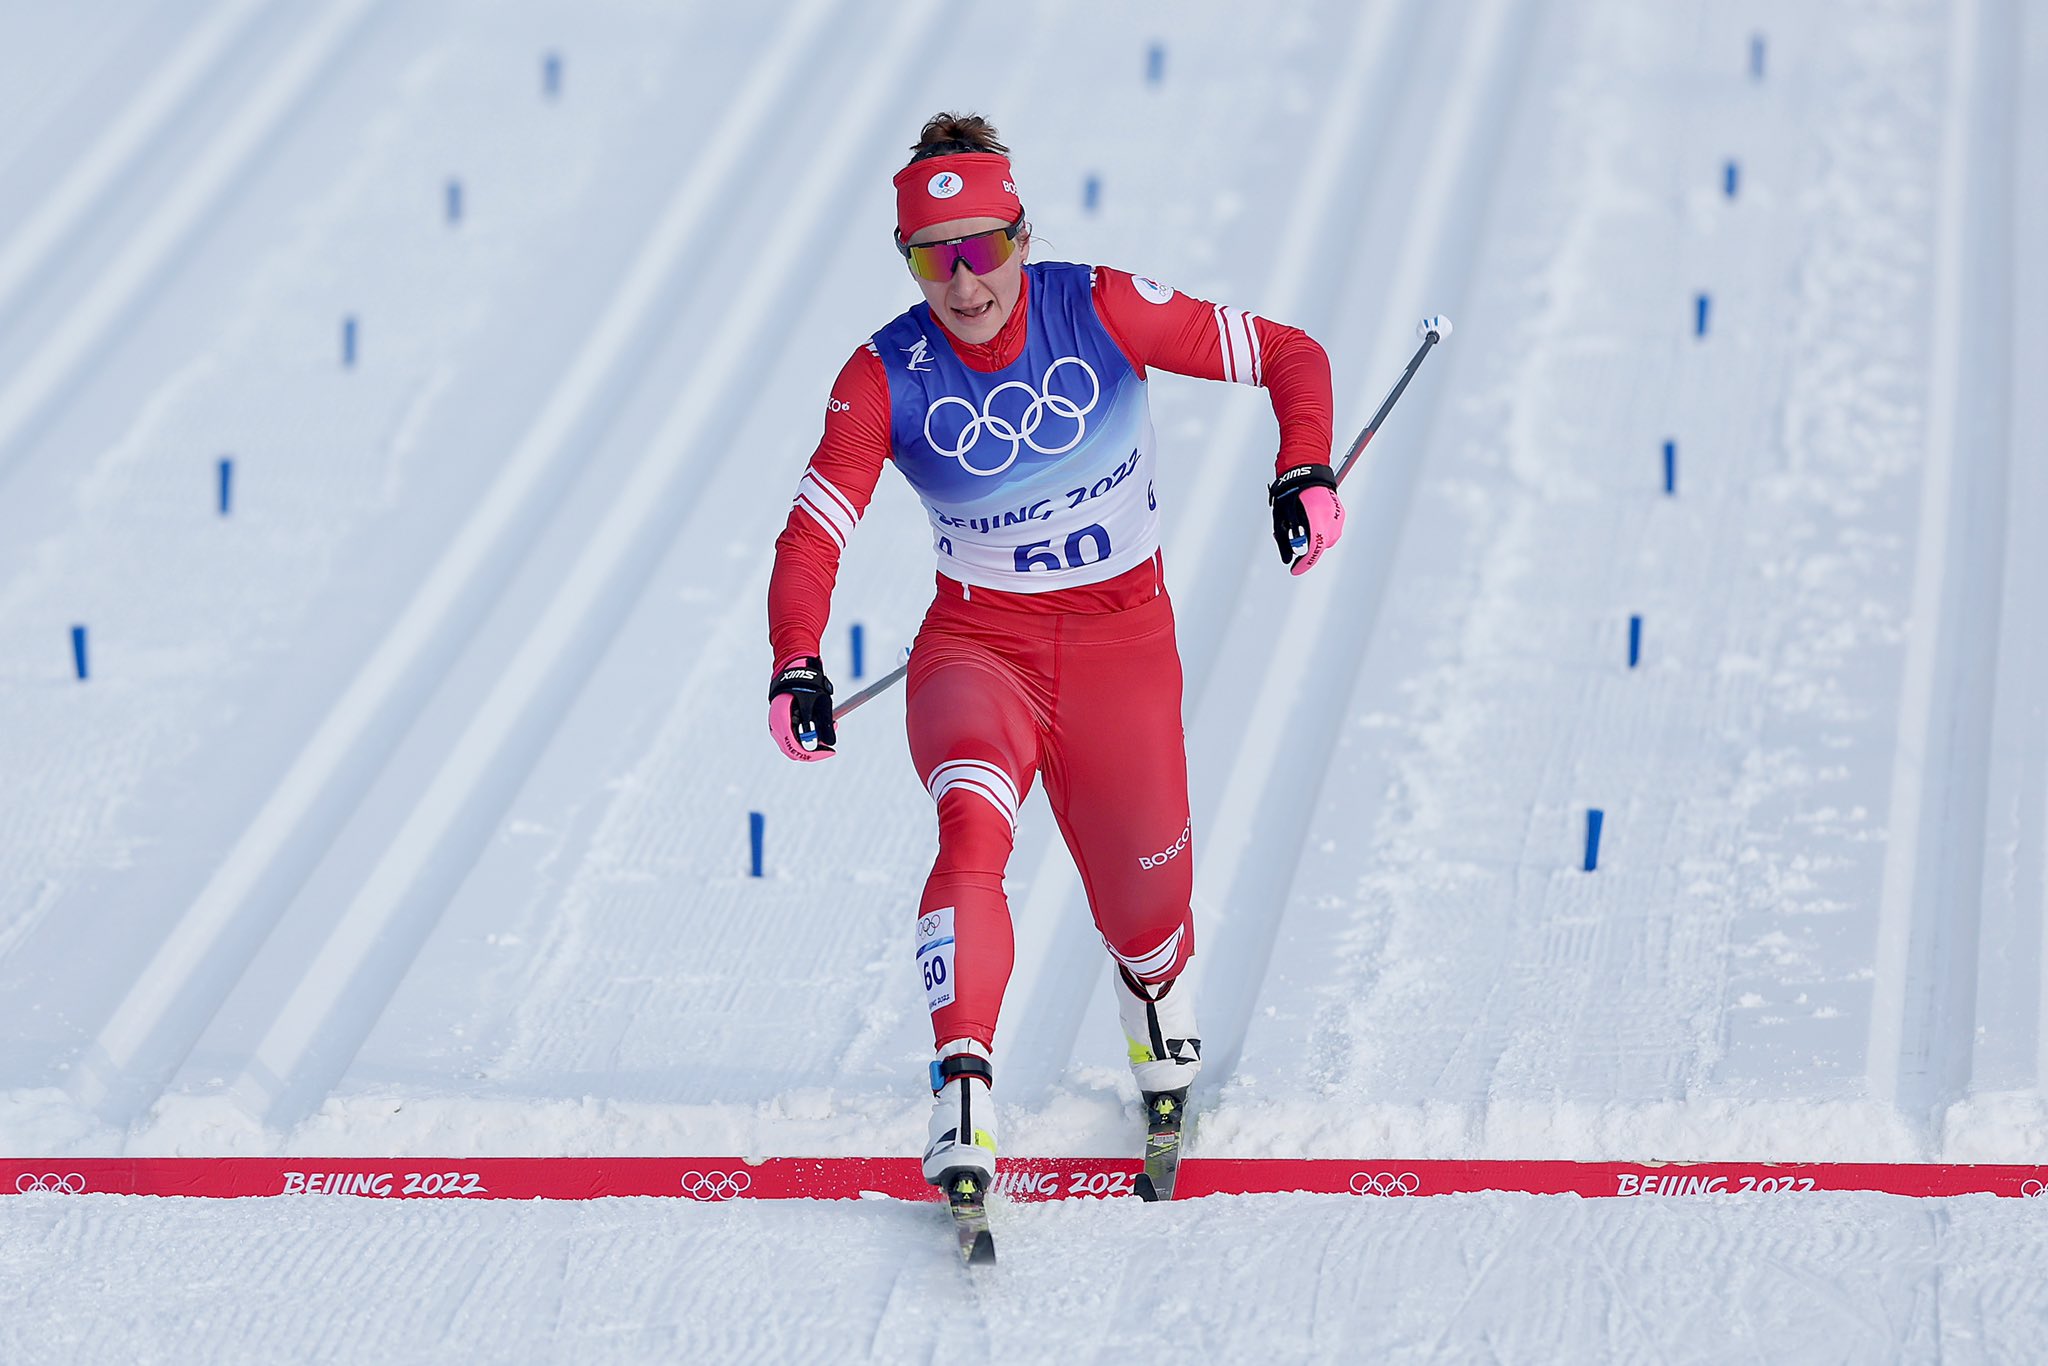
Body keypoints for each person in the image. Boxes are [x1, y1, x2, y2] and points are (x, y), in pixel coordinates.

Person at [765, 113, 1341, 1191]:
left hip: (1121, 648)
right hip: (978, 649)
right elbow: (812, 532)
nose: (965, 281)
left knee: (1147, 917)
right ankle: (962, 1090)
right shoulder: (883, 374)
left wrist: (1301, 470)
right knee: (970, 821)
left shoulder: (1099, 309)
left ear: (1022, 238)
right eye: (935, 257)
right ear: (909, 262)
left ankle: (1156, 1015)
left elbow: (1288, 355)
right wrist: (797, 656)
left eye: (984, 247)